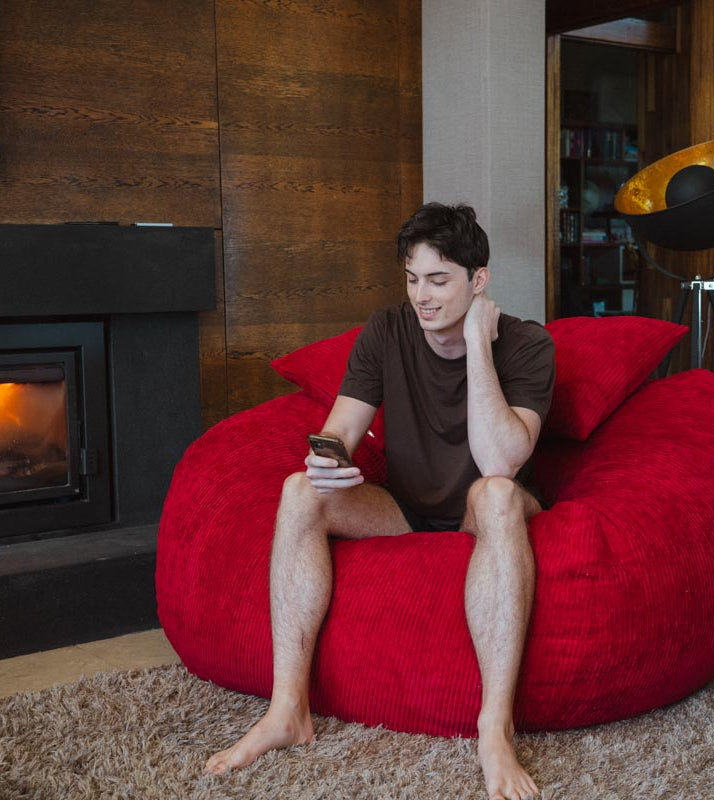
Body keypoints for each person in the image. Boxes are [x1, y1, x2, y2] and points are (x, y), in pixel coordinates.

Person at [204, 202, 555, 800]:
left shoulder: (525, 344)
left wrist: (476, 343)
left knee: (495, 494)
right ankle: (289, 709)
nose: (422, 296)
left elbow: (501, 460)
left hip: (482, 503)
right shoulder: (386, 330)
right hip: (407, 505)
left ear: (479, 280)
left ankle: (495, 727)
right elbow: (340, 431)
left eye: (439, 280)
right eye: (413, 279)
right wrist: (328, 461)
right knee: (298, 490)